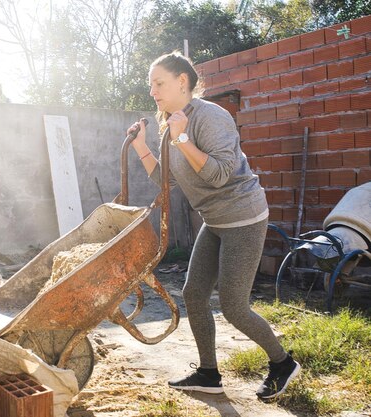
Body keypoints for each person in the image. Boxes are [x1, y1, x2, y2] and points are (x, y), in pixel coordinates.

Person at [127, 51, 300, 400]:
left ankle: (283, 363)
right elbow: (168, 180)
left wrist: (182, 139)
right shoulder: (171, 122)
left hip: (243, 218)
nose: (152, 91)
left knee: (235, 306)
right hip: (216, 220)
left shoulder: (211, 117)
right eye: (150, 85)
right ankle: (208, 373)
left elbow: (220, 174)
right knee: (194, 293)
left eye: (158, 83)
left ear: (182, 82)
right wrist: (142, 146)